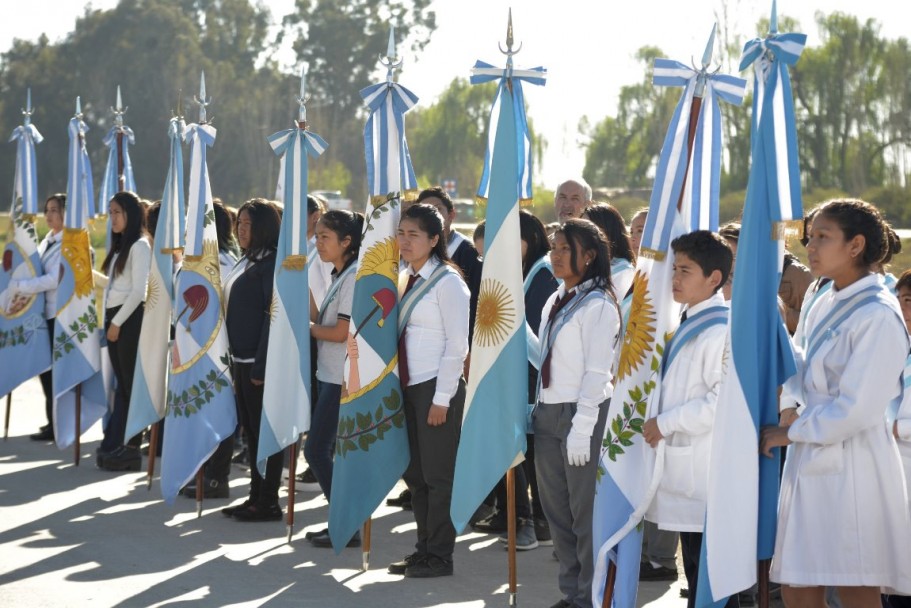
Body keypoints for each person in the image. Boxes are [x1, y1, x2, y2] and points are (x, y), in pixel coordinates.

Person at [761, 199, 911, 606]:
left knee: (855, 584)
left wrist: (793, 430)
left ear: (856, 245)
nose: (811, 246)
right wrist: (790, 404)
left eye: (823, 237)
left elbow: (858, 407)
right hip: (808, 455)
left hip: (855, 465)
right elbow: (800, 359)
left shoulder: (879, 315)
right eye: (810, 237)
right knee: (796, 584)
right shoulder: (824, 298)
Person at [641, 230, 734, 608]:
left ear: (714, 279)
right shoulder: (685, 318)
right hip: (685, 464)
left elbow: (722, 402)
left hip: (706, 464)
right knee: (694, 566)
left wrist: (666, 422)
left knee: (709, 573)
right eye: (675, 269)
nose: (675, 279)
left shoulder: (721, 329)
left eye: (686, 271)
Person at [530, 218, 620, 608]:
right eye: (555, 247)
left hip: (582, 415)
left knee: (584, 515)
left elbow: (597, 373)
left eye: (566, 249)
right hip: (548, 412)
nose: (556, 255)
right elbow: (547, 358)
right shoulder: (556, 298)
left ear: (590, 255)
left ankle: (591, 596)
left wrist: (583, 427)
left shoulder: (599, 304)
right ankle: (573, 593)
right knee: (557, 514)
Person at [386, 203, 470, 579]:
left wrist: (442, 399)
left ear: (434, 239)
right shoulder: (404, 276)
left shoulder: (449, 282)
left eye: (413, 234)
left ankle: (441, 555)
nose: (404, 240)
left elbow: (458, 346)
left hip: (436, 388)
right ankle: (423, 549)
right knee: (416, 475)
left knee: (438, 477)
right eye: (401, 232)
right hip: (408, 386)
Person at [474, 210, 559, 550]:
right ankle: (523, 516)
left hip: (533, 375)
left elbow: (537, 334)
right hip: (516, 373)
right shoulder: (521, 272)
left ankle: (534, 520)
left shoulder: (543, 274)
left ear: (528, 240)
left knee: (531, 449)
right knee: (518, 446)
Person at [220, 199, 283, 522]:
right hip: (239, 360)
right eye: (239, 223)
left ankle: (269, 501)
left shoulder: (271, 265)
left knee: (264, 433)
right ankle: (254, 496)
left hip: (260, 365)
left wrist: (261, 365)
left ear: (264, 228)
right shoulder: (245, 261)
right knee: (251, 433)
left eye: (248, 224)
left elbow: (273, 319)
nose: (241, 230)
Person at [305, 209, 363, 549]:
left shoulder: (354, 276)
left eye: (325, 237)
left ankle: (347, 522)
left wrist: (308, 330)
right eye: (317, 235)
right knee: (326, 452)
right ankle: (342, 522)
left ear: (346, 241)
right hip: (328, 374)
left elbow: (341, 331)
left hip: (341, 377)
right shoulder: (339, 274)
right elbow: (321, 317)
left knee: (317, 450)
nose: (318, 242)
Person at [179, 200, 239, 499]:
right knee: (198, 411)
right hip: (193, 349)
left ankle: (217, 477)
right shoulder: (193, 259)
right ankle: (199, 470)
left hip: (217, 351)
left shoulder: (225, 261)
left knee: (217, 411)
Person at [96, 191, 152, 471]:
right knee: (123, 387)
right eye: (110, 212)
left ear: (130, 214)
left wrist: (117, 323)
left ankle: (131, 447)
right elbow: (116, 285)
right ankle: (118, 443)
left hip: (128, 321)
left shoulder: (140, 246)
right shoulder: (121, 246)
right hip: (115, 317)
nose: (112, 218)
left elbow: (139, 292)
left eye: (117, 212)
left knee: (130, 387)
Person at [9, 194, 66, 442]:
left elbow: (53, 279)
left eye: (54, 210)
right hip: (41, 314)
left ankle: (58, 424)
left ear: (65, 213)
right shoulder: (47, 241)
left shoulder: (67, 244)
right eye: (47, 209)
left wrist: (21, 285)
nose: (48, 215)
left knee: (54, 372)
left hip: (57, 314)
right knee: (45, 370)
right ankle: (50, 421)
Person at [582, 202, 636, 303]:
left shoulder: (624, 271)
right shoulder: (586, 266)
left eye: (587, 229)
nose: (581, 236)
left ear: (606, 231)